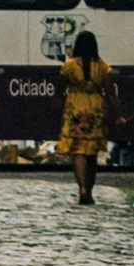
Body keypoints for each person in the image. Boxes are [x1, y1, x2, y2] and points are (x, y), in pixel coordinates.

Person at [55, 29, 113, 208]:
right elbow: (110, 93)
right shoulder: (103, 67)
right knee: (92, 152)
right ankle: (90, 189)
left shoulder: (70, 66)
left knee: (78, 151)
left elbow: (60, 88)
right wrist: (118, 114)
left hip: (75, 106)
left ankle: (81, 188)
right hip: (96, 107)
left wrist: (56, 104)